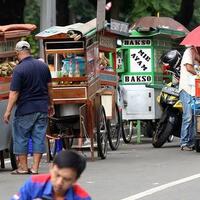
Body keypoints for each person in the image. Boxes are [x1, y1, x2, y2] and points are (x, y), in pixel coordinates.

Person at [3, 40, 55, 174]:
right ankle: (35, 168)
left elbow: (14, 93)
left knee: (21, 137)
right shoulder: (43, 66)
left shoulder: (19, 69)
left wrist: (8, 111)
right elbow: (50, 88)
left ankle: (23, 168)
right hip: (42, 108)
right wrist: (51, 104)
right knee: (39, 137)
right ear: (29, 51)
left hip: (25, 109)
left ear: (17, 53)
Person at [11, 150, 92, 200]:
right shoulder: (34, 183)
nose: (59, 182)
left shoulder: (82, 197)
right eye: (57, 175)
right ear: (51, 168)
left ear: (75, 179)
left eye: (66, 179)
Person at [179, 46, 200, 151]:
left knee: (195, 116)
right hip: (186, 89)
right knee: (188, 117)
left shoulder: (196, 53)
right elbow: (189, 67)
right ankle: (184, 142)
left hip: (194, 90)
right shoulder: (189, 51)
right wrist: (198, 73)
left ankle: (191, 142)